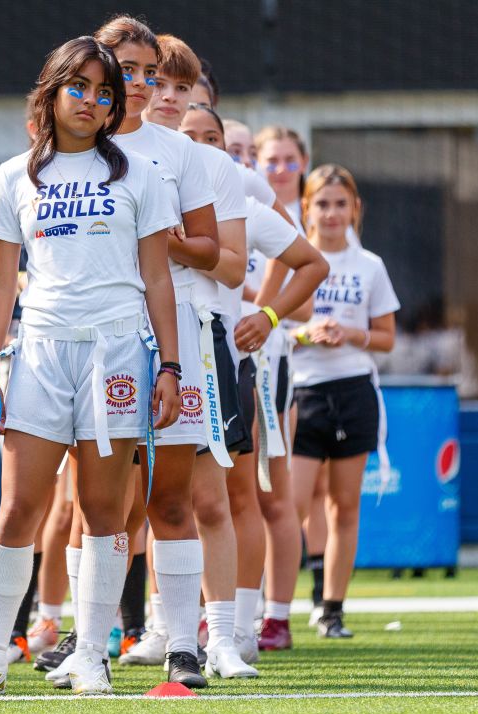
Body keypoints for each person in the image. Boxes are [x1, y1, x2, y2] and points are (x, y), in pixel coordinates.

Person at [0, 34, 181, 697]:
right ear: (48, 94)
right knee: (19, 507)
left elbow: (158, 280)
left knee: (106, 511)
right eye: (79, 86)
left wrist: (170, 368)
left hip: (117, 353)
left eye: (105, 92)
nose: (92, 100)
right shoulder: (13, 175)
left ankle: (91, 657)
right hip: (40, 352)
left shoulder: (137, 175)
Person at [80, 16, 219, 691]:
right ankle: (90, 646)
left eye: (147, 74)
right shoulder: (71, 150)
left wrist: (153, 240)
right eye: (124, 72)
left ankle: (185, 647)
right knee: (99, 503)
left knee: (171, 497)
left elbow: (213, 249)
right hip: (98, 338)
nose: (137, 85)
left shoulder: (180, 151)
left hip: (175, 332)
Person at [128, 33, 258, 681]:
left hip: (197, 336)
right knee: (120, 500)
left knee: (205, 496)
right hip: (119, 332)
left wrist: (170, 245)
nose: (169, 97)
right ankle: (150, 627)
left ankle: (222, 637)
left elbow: (230, 265)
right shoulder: (104, 151)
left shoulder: (209, 164)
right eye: (161, 83)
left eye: (182, 86)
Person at [180, 102, 328, 658]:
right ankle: (150, 629)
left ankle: (240, 630)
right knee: (149, 504)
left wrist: (265, 316)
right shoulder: (142, 194)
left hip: (221, 368)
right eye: (188, 135)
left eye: (211, 137)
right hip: (151, 364)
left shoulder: (240, 205)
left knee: (237, 498)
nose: (199, 145)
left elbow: (311, 263)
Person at [288, 164, 399, 640]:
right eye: (321, 203)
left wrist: (348, 333)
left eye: (340, 203)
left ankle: (332, 609)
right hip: (301, 391)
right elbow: (267, 323)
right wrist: (304, 332)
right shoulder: (290, 259)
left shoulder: (370, 265)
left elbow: (387, 339)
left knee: (344, 506)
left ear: (355, 209)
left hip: (354, 389)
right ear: (305, 208)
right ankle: (269, 609)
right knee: (288, 505)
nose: (331, 213)